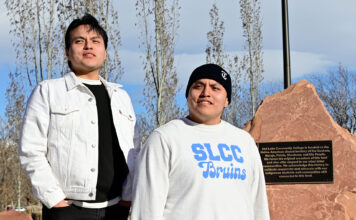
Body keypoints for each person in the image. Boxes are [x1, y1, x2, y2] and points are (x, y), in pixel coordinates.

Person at [19, 14, 140, 220]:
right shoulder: (48, 91)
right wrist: (56, 202)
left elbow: (133, 153)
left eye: (95, 41)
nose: (88, 47)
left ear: (105, 52)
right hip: (67, 210)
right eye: (79, 41)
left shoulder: (121, 97)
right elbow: (31, 151)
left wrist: (127, 199)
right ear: (67, 52)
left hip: (116, 209)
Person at [131, 63, 270, 220]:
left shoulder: (244, 141)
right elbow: (146, 209)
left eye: (215, 88)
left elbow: (258, 205)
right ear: (188, 94)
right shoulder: (164, 138)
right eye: (198, 86)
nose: (206, 93)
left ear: (227, 100)